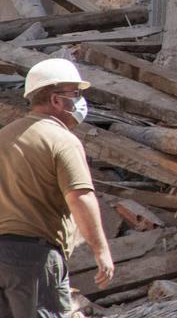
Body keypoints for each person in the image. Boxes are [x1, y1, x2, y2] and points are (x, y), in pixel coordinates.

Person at [0, 58, 114, 318]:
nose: (79, 101)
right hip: (34, 257)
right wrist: (101, 250)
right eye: (75, 94)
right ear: (55, 100)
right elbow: (80, 197)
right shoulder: (62, 140)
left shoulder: (3, 137)